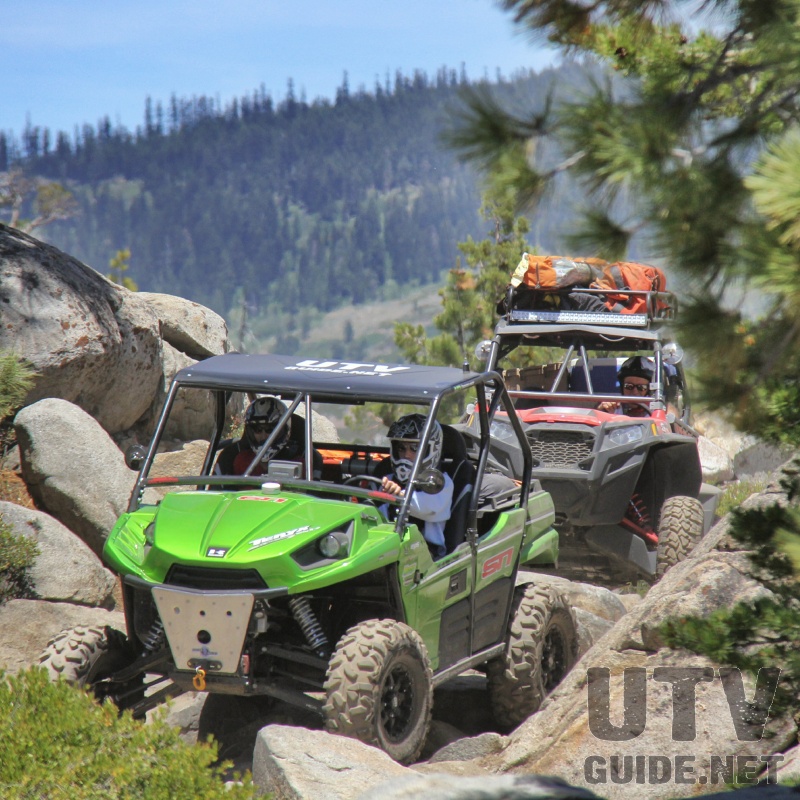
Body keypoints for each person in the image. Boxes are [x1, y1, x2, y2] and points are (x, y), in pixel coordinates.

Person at [380, 413, 453, 560]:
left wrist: (399, 496)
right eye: (401, 448)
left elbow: (429, 508)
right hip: (388, 544)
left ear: (430, 449)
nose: (406, 455)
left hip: (426, 552)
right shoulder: (387, 479)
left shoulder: (440, 482)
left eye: (414, 448)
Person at [215, 396, 322, 477]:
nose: (263, 435)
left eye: (270, 430)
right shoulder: (240, 460)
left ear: (283, 430)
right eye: (257, 430)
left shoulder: (302, 463)